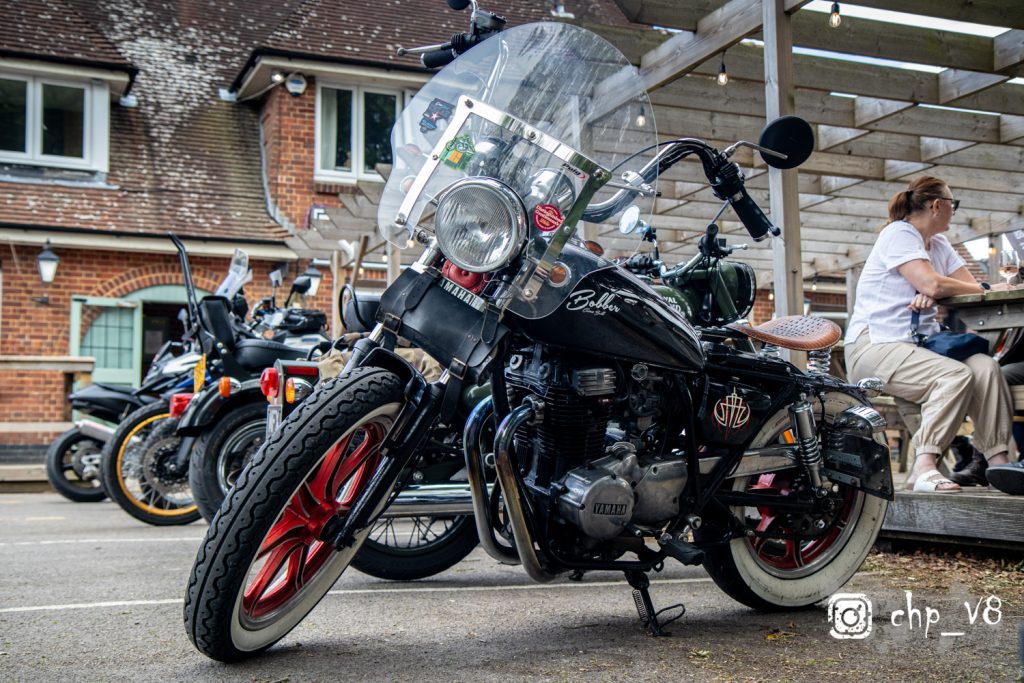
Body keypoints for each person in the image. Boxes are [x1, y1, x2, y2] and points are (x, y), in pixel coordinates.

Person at [844, 176, 1023, 493]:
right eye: (953, 205)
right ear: (937, 205)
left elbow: (972, 291)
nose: (954, 212)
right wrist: (935, 287)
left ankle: (998, 463)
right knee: (955, 376)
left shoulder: (939, 245)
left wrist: (939, 289)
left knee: (986, 368)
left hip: (920, 346)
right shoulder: (898, 234)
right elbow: (936, 285)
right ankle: (923, 467)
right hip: (876, 346)